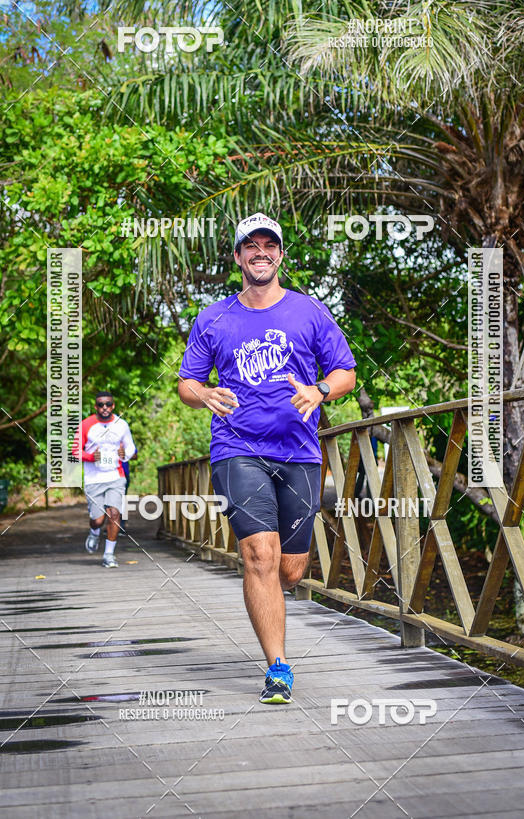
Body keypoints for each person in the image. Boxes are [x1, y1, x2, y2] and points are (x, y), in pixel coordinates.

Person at [178, 212, 356, 703]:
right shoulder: (214, 318)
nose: (260, 253)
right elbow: (186, 383)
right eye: (250, 246)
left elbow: (345, 372)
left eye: (268, 245)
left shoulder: (309, 312)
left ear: (280, 254)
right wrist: (204, 394)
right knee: (259, 554)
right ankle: (278, 667)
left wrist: (319, 391)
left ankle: (267, 594)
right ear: (237, 256)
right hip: (237, 449)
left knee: (290, 569)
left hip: (299, 453)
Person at [72, 391, 136, 568]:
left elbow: (131, 448)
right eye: (101, 404)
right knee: (98, 519)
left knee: (114, 513)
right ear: (96, 407)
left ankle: (109, 555)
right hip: (94, 479)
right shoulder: (86, 425)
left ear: (113, 405)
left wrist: (126, 454)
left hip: (116, 476)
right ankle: (94, 531)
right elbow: (75, 451)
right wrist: (91, 457)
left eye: (108, 404)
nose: (105, 407)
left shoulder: (121, 425)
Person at [119, 446, 138, 535]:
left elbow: (135, 455)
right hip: (106, 474)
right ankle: (112, 525)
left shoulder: (124, 437)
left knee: (122, 500)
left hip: (123, 474)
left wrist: (124, 454)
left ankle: (121, 525)